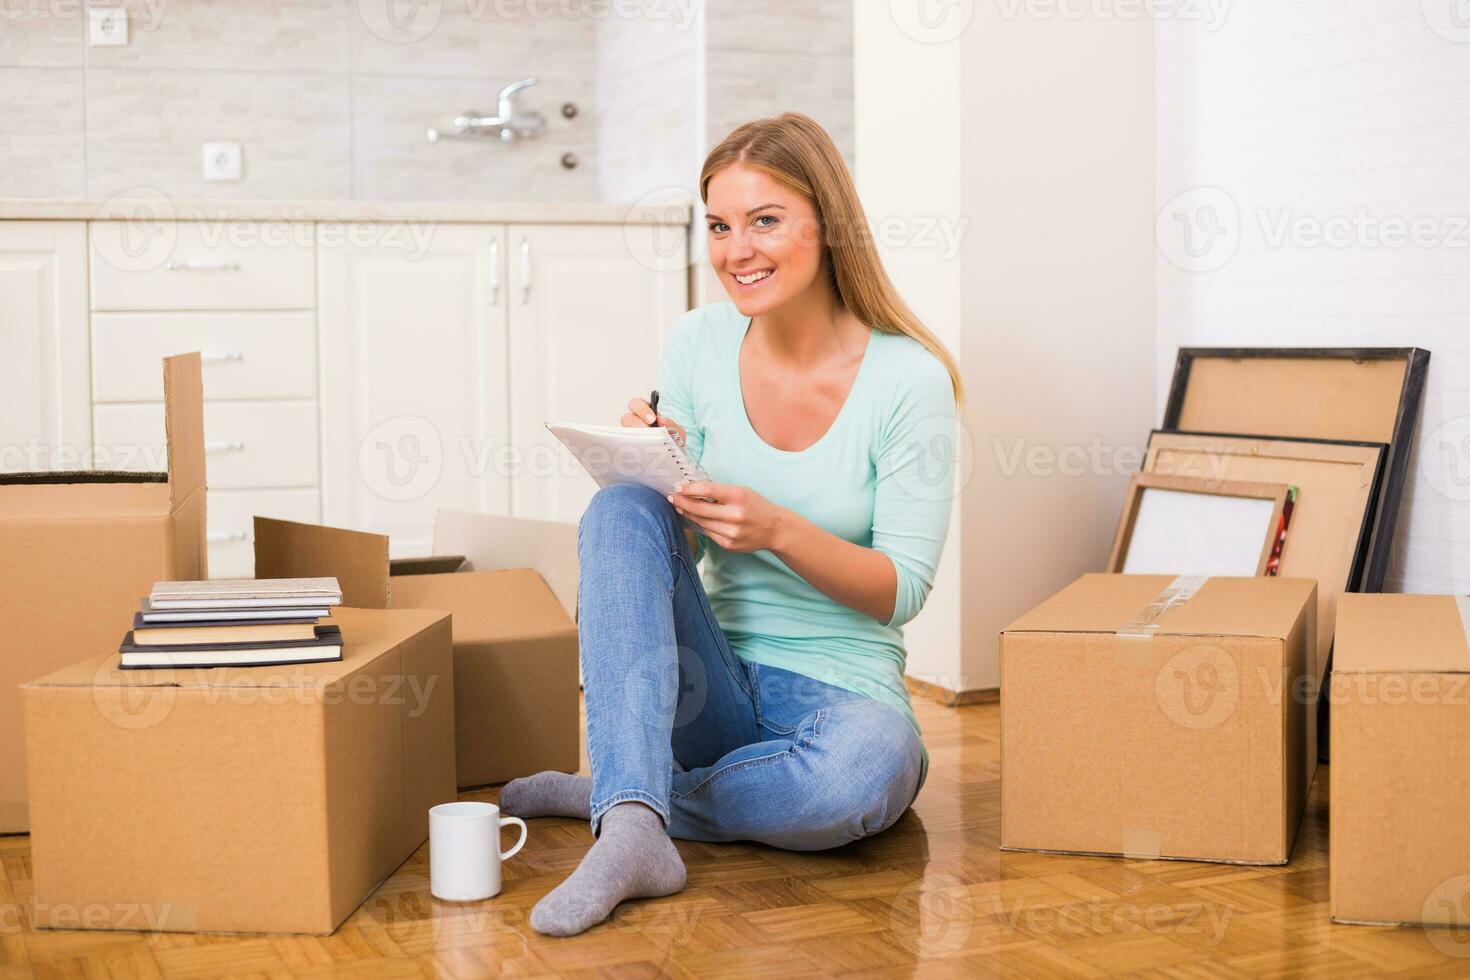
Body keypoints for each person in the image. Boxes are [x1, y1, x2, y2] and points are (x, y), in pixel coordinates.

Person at [501, 112, 964, 937]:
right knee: (621, 506)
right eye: (718, 225)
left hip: (839, 703)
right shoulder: (698, 342)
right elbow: (663, 556)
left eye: (765, 221)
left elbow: (904, 591)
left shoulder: (908, 379)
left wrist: (779, 529)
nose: (735, 250)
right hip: (703, 683)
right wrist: (656, 464)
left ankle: (627, 799)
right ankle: (636, 810)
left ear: (828, 225)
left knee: (866, 775)